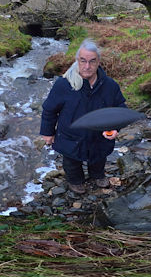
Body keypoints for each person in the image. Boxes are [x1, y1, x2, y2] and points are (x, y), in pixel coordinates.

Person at [39, 38, 126, 194]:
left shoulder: (110, 85)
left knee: (99, 158)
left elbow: (120, 108)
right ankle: (75, 181)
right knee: (71, 163)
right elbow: (49, 110)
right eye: (83, 61)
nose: (87, 66)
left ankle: (97, 175)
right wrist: (47, 132)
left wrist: (115, 128)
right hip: (70, 136)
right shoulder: (64, 84)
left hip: (99, 136)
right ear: (77, 61)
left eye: (92, 61)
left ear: (98, 62)